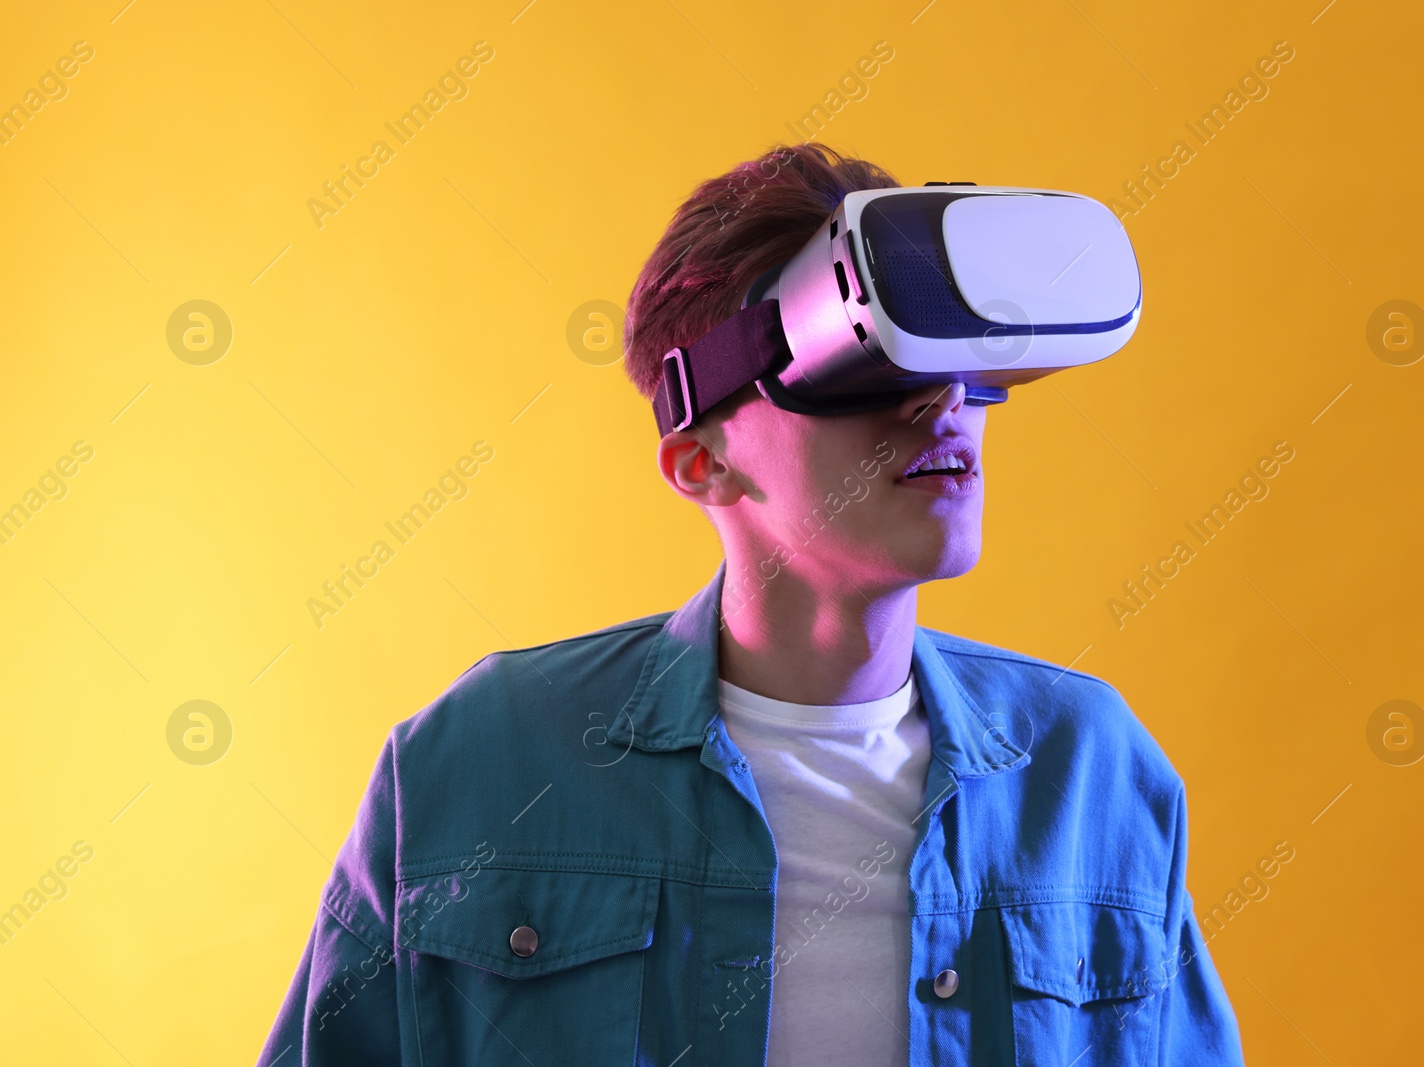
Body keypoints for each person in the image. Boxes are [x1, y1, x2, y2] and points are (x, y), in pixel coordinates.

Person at [258, 143, 1247, 1066]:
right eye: (863, 362)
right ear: (702, 462)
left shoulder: (1090, 773)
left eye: (950, 354)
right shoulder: (478, 760)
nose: (937, 403)